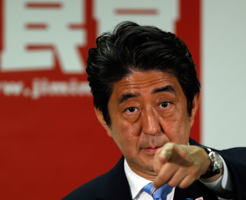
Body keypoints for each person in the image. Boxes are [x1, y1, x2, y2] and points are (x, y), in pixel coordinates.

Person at [63, 21, 246, 200]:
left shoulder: (232, 173)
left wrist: (209, 165)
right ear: (104, 118)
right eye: (132, 109)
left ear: (192, 105)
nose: (151, 128)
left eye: (164, 104)